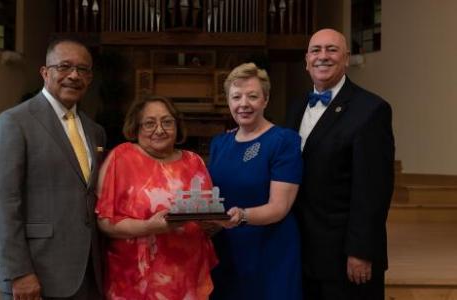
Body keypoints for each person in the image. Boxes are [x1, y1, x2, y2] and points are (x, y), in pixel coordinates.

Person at [0, 37, 107, 300]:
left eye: (83, 69)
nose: (74, 75)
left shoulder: (94, 131)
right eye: (64, 66)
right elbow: (0, 203)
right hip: (34, 274)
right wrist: (18, 272)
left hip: (87, 273)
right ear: (45, 72)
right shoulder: (14, 122)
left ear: (90, 78)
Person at [285, 28, 395, 300]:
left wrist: (361, 251)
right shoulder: (296, 107)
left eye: (332, 50)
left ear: (346, 59)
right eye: (316, 50)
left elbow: (373, 190)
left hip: (345, 256)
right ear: (306, 59)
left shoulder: (371, 110)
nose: (323, 56)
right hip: (303, 250)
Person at [95, 96, 218, 300]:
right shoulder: (122, 157)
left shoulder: (194, 161)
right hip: (136, 279)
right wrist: (150, 227)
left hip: (186, 276)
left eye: (167, 122)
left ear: (177, 125)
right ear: (137, 127)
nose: (159, 130)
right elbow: (105, 223)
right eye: (150, 123)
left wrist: (213, 224)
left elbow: (208, 212)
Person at [208, 62, 303, 299]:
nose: (243, 104)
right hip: (226, 250)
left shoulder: (284, 141)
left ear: (265, 100)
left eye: (252, 96)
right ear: (228, 101)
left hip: (269, 251)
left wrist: (242, 216)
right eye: (236, 96)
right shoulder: (220, 143)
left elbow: (279, 207)